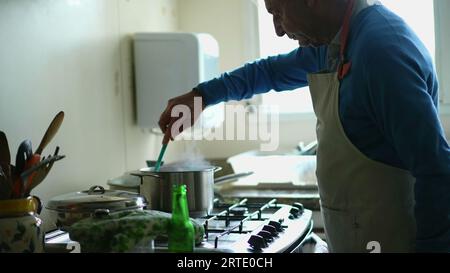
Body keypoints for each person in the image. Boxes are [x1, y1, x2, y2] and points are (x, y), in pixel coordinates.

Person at [158, 0, 450, 252]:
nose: (278, 29)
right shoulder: (336, 43)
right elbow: (269, 72)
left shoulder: (382, 51)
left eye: (278, 12)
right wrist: (202, 95)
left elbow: (436, 170)